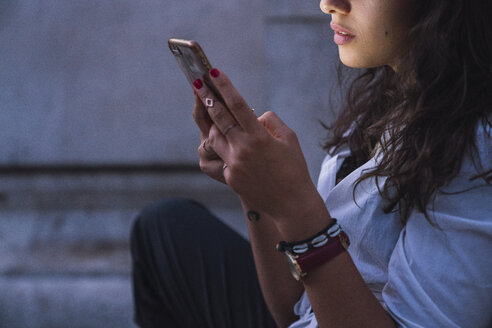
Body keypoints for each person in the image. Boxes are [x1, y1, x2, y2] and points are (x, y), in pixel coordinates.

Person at [130, 0, 492, 326]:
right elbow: (292, 310)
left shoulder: (477, 145)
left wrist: (295, 207)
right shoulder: (388, 99)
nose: (328, 4)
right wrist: (256, 191)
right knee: (162, 226)